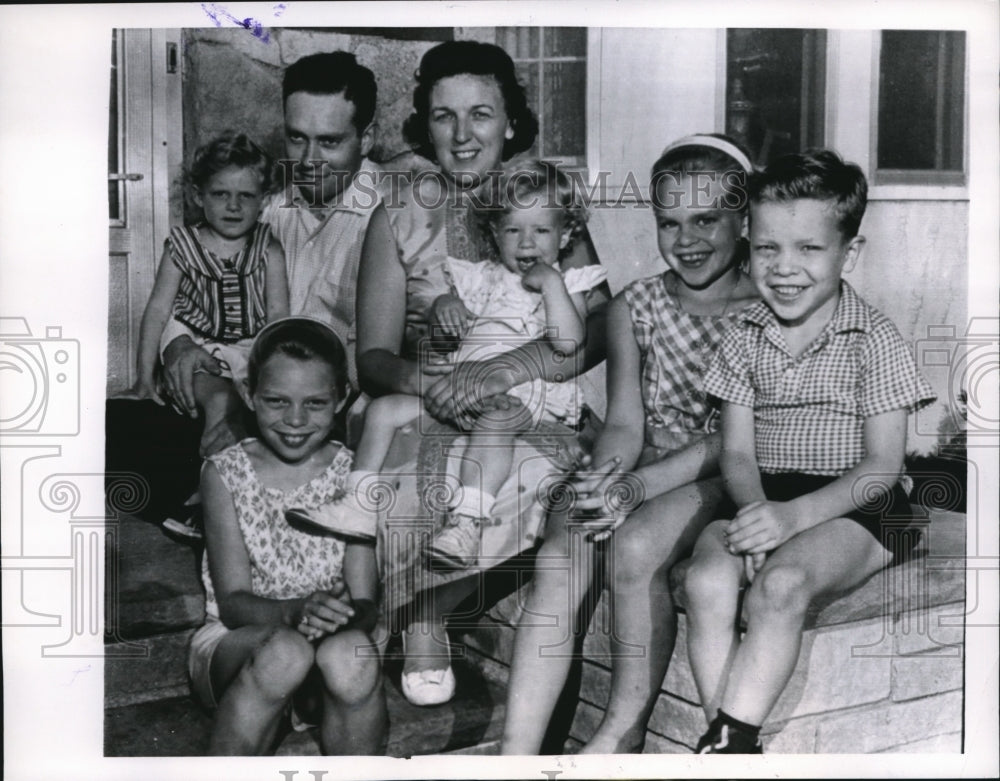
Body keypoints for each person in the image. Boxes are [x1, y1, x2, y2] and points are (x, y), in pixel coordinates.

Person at [355, 40, 608, 707]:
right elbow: (373, 355)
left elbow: (598, 331)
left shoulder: (541, 206)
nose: (463, 135)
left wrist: (505, 369)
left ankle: (425, 608)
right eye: (444, 116)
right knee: (414, 448)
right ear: (425, 125)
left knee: (533, 462)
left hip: (527, 397)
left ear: (511, 123)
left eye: (481, 114)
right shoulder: (399, 214)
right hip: (431, 393)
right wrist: (433, 384)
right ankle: (401, 612)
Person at [502, 134, 761, 754]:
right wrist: (605, 480)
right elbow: (624, 422)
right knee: (565, 542)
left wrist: (633, 487)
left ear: (743, 219)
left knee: (636, 545)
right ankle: (516, 752)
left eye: (707, 220)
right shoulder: (635, 306)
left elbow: (732, 441)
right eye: (669, 222)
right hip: (644, 460)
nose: (687, 239)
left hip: (724, 470)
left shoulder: (764, 310)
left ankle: (623, 727)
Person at [685, 149, 936, 753]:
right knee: (705, 578)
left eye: (808, 248)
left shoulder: (872, 339)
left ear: (850, 254)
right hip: (767, 497)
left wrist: (791, 522)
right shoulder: (744, 339)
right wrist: (756, 517)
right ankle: (729, 738)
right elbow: (738, 455)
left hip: (861, 506)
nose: (783, 267)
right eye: (767, 248)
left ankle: (726, 744)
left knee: (782, 583)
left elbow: (883, 467)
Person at [291, 161, 605, 571]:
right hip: (460, 388)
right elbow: (450, 339)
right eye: (513, 230)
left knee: (495, 425)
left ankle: (466, 522)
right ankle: (360, 504)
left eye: (541, 231)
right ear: (495, 233)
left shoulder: (566, 284)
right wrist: (445, 308)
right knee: (383, 410)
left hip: (522, 397)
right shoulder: (482, 277)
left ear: (564, 235)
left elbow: (569, 341)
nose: (526, 243)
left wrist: (550, 286)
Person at [160, 51, 387, 450]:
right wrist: (179, 342)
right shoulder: (266, 206)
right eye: (297, 138)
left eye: (329, 142)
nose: (309, 161)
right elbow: (194, 280)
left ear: (366, 138)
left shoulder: (392, 218)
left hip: (331, 410)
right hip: (248, 385)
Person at [188, 317, 386, 756]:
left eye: (315, 403)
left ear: (340, 400)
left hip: (326, 644)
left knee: (352, 652)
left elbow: (366, 603)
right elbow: (235, 602)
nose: (295, 420)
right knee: (287, 654)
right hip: (241, 644)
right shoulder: (224, 472)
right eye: (276, 401)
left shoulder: (355, 474)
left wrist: (340, 617)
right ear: (248, 395)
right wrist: (298, 612)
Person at [126, 132, 289, 455]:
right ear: (199, 196)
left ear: (264, 200)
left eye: (245, 195)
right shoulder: (182, 247)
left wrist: (273, 372)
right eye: (220, 194)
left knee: (264, 410)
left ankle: (235, 472)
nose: (233, 206)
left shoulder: (269, 248)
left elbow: (278, 318)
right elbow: (158, 312)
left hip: (249, 352)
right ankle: (213, 462)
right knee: (217, 398)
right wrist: (143, 379)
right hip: (199, 351)